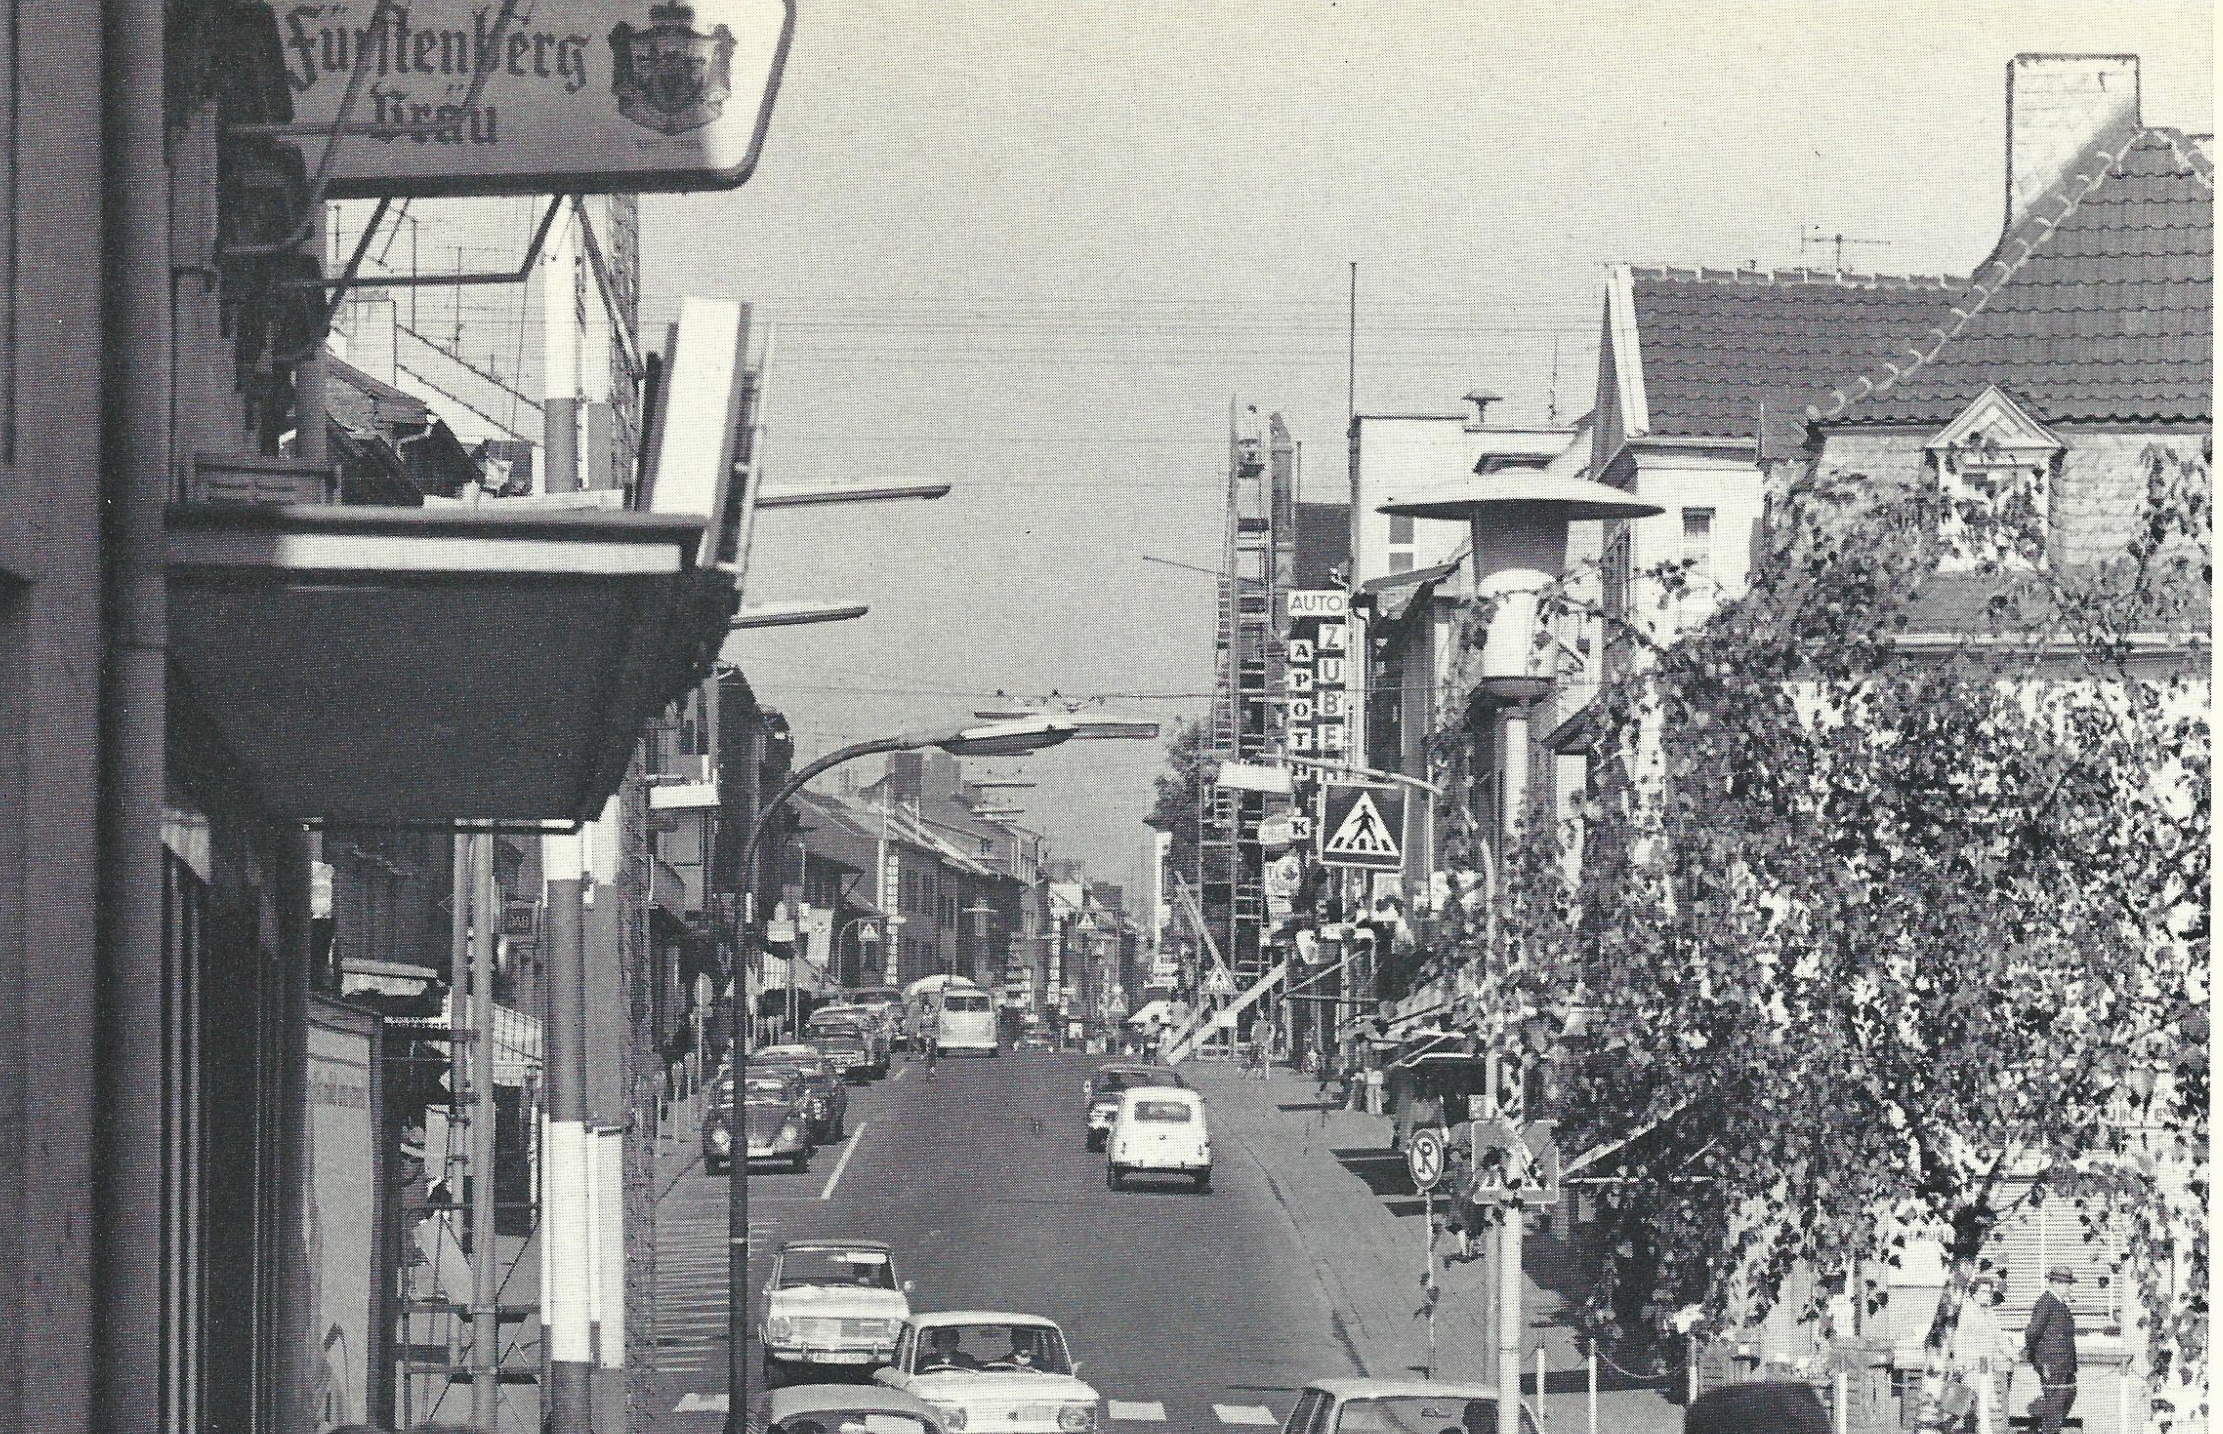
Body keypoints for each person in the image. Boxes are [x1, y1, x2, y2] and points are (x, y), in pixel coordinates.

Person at [1947, 1272, 2015, 1431]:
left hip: (1986, 1366)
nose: (1987, 1296)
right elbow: (1958, 1340)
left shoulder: (1989, 1313)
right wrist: (1960, 1365)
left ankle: (1966, 1428)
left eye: (1989, 1292)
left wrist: (2014, 1355)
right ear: (1973, 1294)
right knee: (1977, 1406)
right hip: (1971, 1367)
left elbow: (1999, 1337)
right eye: (1983, 1292)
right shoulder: (1967, 1312)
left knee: (1976, 1407)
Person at [2023, 1265, 2079, 1434]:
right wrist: (2041, 1362)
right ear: (2054, 1283)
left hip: (2066, 1365)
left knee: (2067, 1397)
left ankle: (2047, 1430)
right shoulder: (2046, 1302)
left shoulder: (2060, 1304)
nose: (2069, 1287)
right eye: (2066, 1283)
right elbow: (2032, 1333)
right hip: (2052, 1365)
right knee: (2055, 1406)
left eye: (2070, 1283)